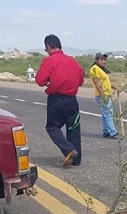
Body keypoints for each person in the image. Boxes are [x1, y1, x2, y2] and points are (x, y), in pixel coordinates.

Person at [35, 34, 84, 167]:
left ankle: (68, 150)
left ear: (48, 46)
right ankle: (76, 160)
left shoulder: (50, 60)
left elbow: (40, 80)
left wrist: (50, 83)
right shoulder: (73, 61)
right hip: (72, 100)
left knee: (52, 126)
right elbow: (81, 80)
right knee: (73, 128)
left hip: (57, 99)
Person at [89, 53, 121, 140]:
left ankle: (106, 131)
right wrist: (103, 96)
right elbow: (98, 84)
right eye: (101, 59)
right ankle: (112, 132)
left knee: (105, 114)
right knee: (108, 113)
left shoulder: (101, 69)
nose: (103, 61)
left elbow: (106, 82)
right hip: (102, 95)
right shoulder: (94, 69)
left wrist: (115, 87)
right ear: (97, 60)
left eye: (104, 59)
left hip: (107, 93)